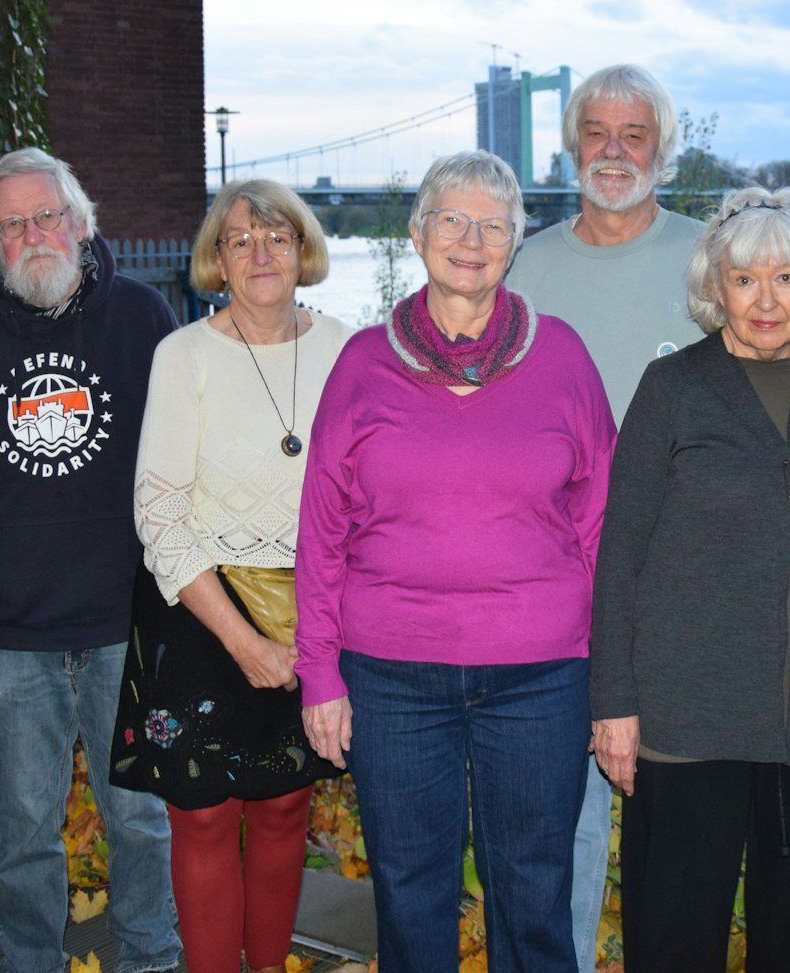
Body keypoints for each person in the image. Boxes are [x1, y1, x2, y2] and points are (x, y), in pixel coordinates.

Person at [296, 151, 614, 973]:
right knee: (408, 892)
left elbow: (602, 528)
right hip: (392, 674)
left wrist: (615, 678)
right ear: (417, 234)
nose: (471, 240)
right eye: (452, 220)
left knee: (535, 893)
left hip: (541, 674)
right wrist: (320, 672)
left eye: (493, 225)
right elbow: (323, 529)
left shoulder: (565, 360)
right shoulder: (363, 364)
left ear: (514, 246)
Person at [590, 187, 790, 973]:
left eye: (786, 278)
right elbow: (620, 552)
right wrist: (614, 702)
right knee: (676, 941)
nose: (765, 298)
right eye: (746, 278)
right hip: (691, 721)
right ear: (716, 286)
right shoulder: (673, 388)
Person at [0, 147, 182, 973]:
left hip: (124, 617)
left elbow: (178, 453)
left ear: (80, 222)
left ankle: (148, 955)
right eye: (13, 224)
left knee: (141, 814)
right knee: (27, 825)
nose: (34, 234)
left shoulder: (144, 319)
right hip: (14, 629)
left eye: (47, 216)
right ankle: (29, 960)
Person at [109, 179, 351, 973]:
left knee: (285, 806)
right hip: (199, 605)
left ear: (302, 248)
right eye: (240, 239)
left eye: (276, 236)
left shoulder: (346, 351)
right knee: (205, 816)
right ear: (216, 258)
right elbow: (160, 511)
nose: (260, 252)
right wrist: (243, 638)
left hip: (312, 607)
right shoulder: (183, 356)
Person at [503, 61, 704, 969]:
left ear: (662, 148)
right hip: (558, 598)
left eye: (634, 134)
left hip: (685, 590)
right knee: (564, 830)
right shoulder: (524, 266)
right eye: (597, 132)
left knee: (677, 838)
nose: (613, 151)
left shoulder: (714, 260)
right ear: (571, 142)